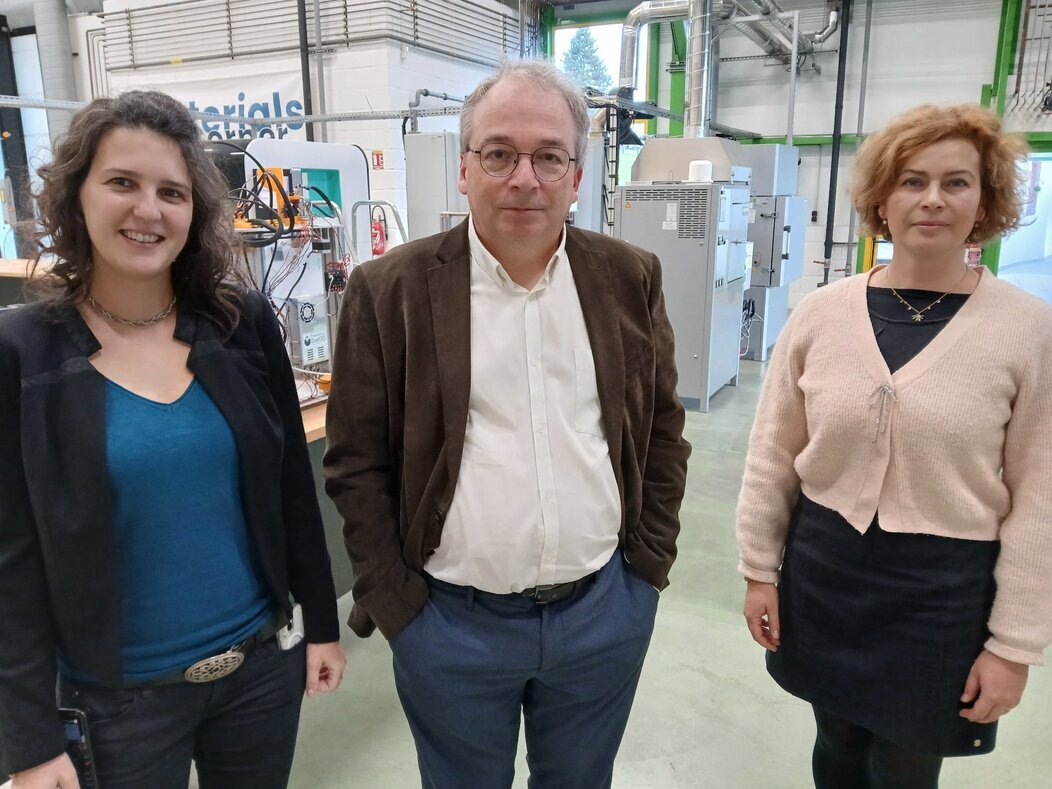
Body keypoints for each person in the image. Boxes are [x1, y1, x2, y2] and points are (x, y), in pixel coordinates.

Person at [324, 59, 691, 788]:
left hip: (602, 615)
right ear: (465, 169)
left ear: (577, 176)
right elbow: (355, 461)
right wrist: (399, 606)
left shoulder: (629, 276)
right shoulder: (388, 291)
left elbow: (661, 429)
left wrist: (645, 571)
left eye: (549, 156)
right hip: (450, 627)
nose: (524, 177)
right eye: (499, 153)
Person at [0, 90, 346, 789]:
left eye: (172, 191)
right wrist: (30, 740)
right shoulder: (21, 351)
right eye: (122, 182)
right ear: (77, 195)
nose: (148, 210)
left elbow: (289, 487)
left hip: (257, 674)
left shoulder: (237, 321)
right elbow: (9, 557)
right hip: (116, 701)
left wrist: (321, 619)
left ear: (196, 211)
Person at [736, 103, 1052, 788]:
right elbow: (772, 451)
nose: (933, 199)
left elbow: (1040, 497)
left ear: (987, 199)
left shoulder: (1028, 330)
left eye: (957, 182)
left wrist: (1015, 644)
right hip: (827, 569)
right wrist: (760, 567)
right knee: (838, 741)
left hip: (943, 588)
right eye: (912, 180)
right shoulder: (822, 312)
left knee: (908, 763)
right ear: (882, 196)